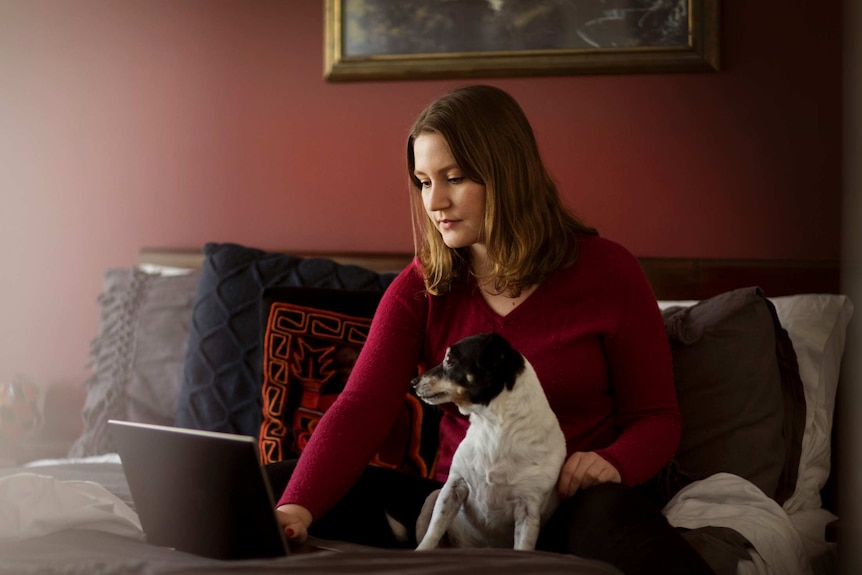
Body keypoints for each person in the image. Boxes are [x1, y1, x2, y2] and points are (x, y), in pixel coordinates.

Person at [268, 84, 714, 575]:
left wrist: (613, 462)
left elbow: (657, 418)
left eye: (453, 178)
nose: (434, 201)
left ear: (507, 175)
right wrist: (297, 507)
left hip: (571, 501)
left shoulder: (610, 272)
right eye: (422, 181)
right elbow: (359, 411)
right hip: (458, 505)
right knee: (263, 488)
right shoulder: (420, 288)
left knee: (624, 525)